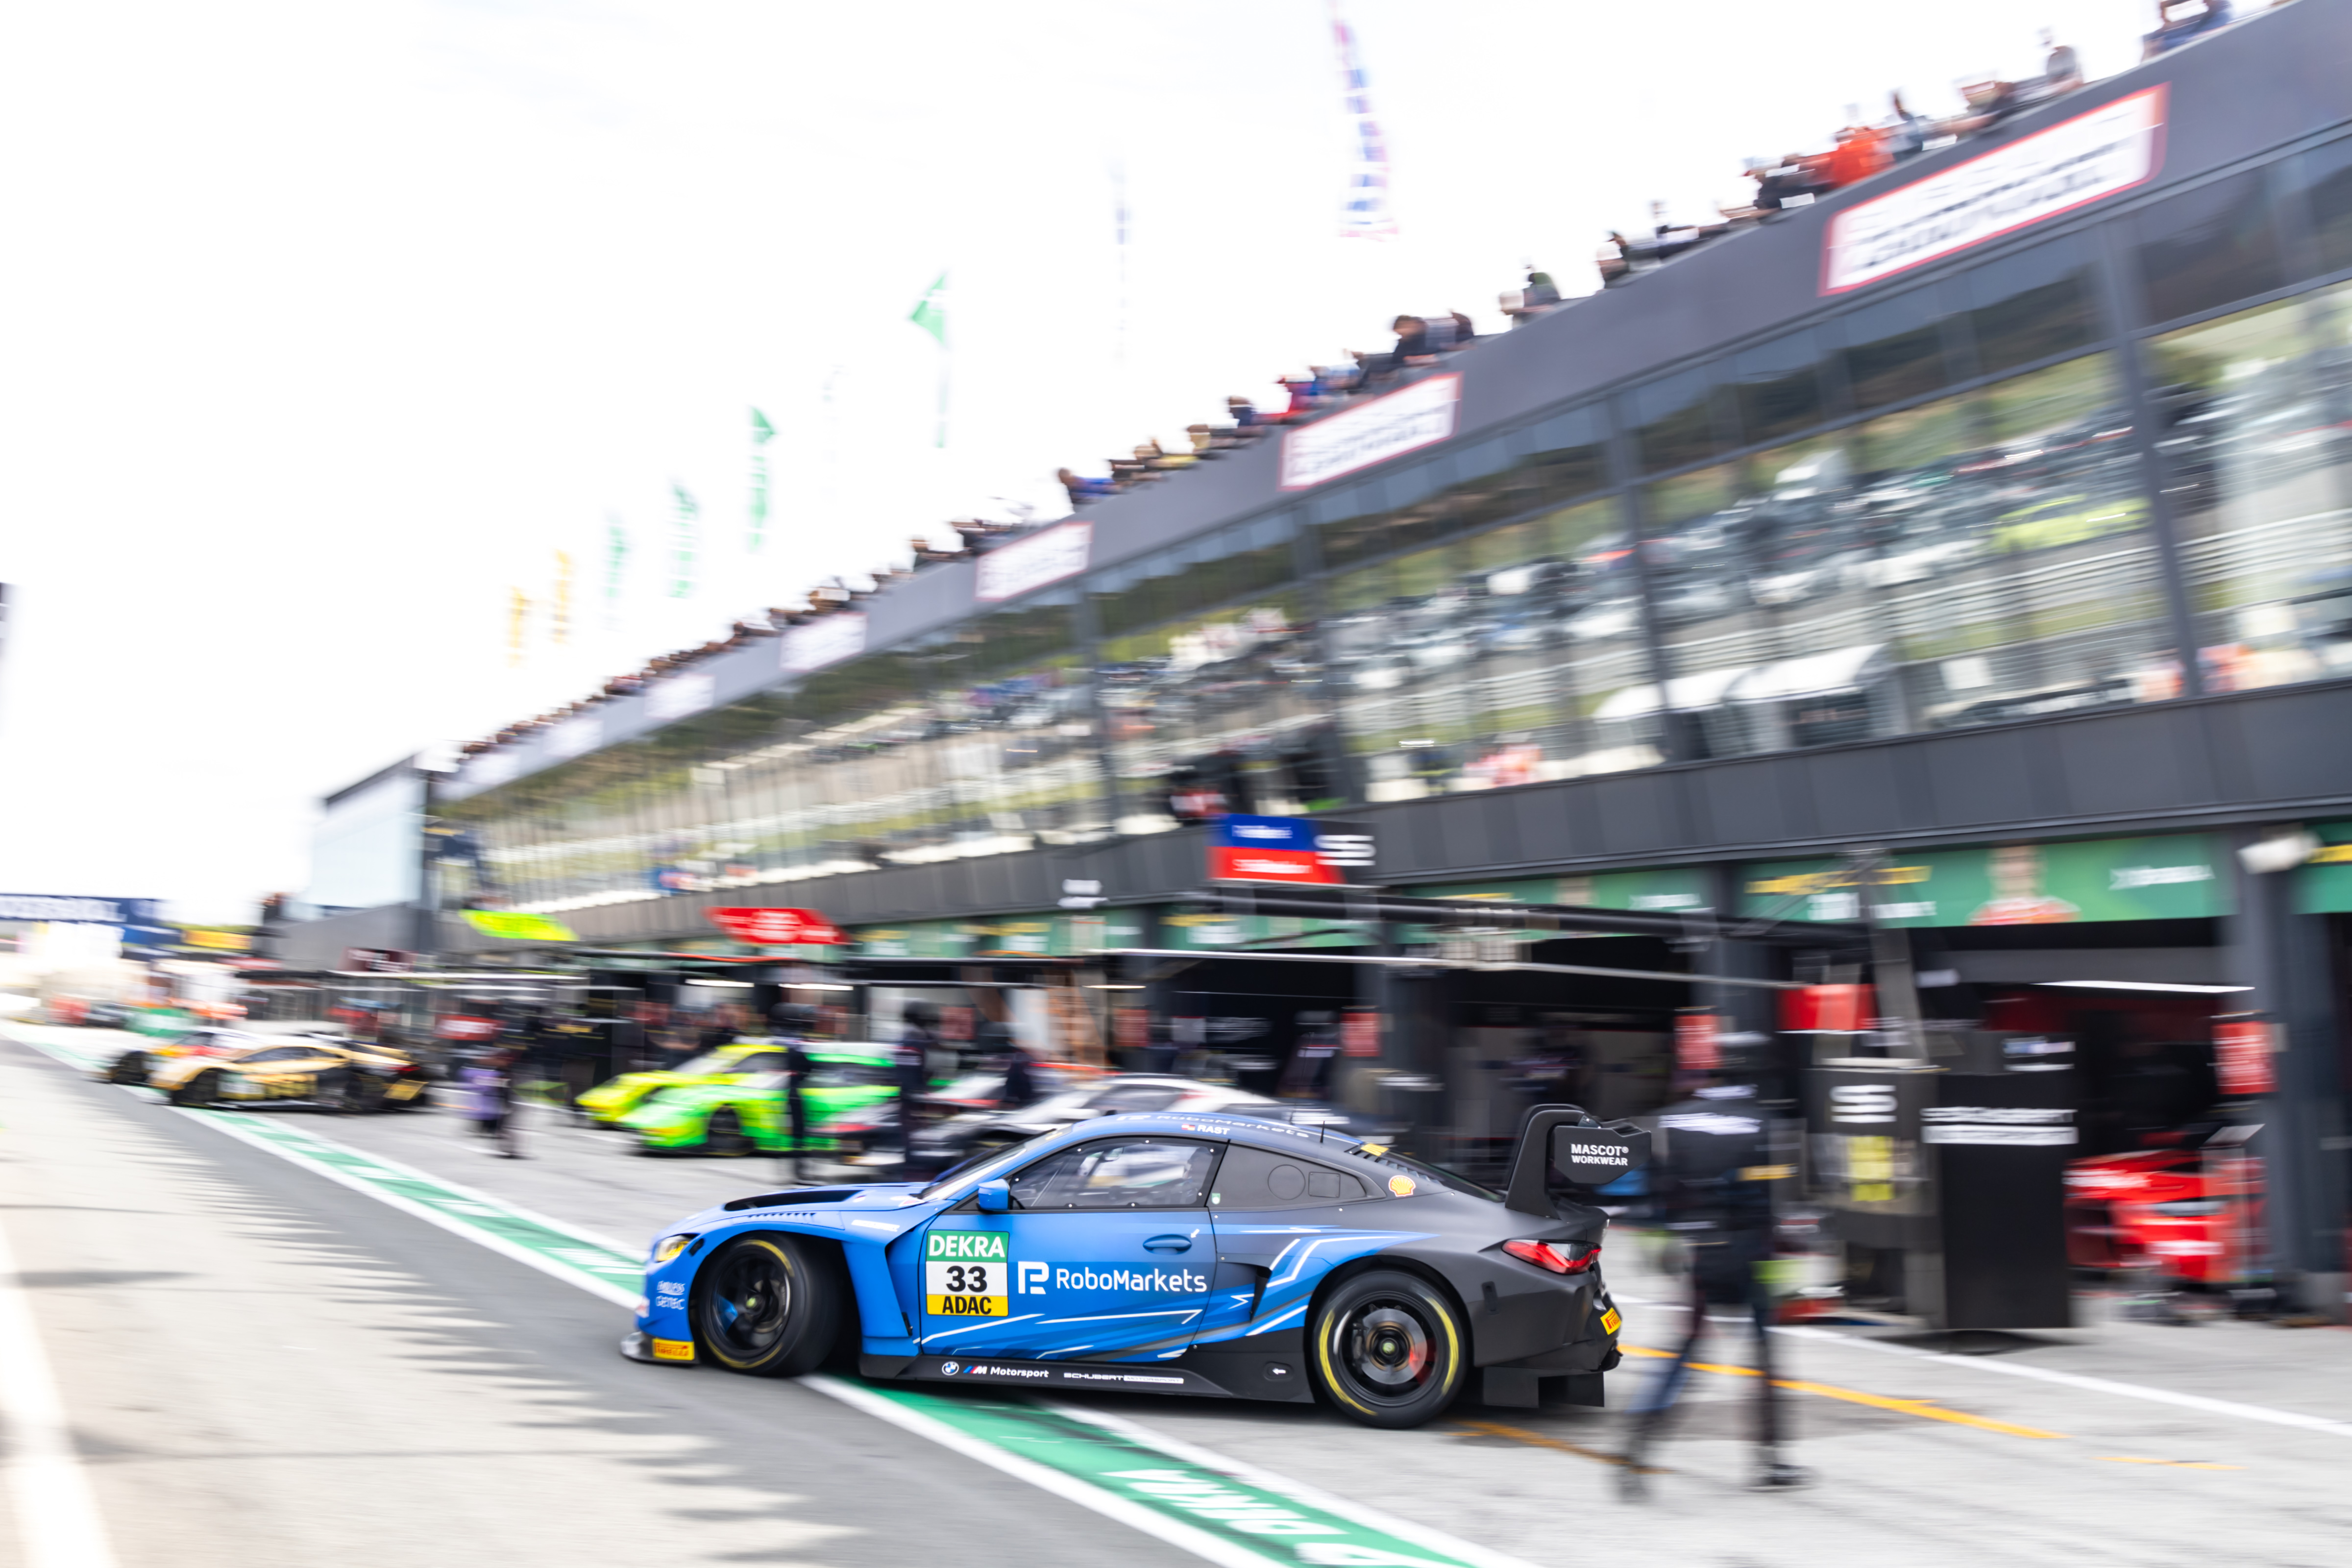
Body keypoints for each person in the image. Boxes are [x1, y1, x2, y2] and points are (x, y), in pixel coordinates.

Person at [1617, 1072, 1803, 1494]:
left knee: (1683, 1358)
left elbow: (1656, 1197)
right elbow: (1774, 1201)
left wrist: (1671, 1245)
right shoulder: (1762, 1122)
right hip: (1752, 1258)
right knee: (1764, 1361)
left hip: (1704, 1256)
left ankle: (1635, 1453)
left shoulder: (1675, 1119)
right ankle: (1770, 1462)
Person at [770, 1002, 820, 1180]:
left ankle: (791, 1170)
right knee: (799, 1131)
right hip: (793, 1091)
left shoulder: (778, 1039)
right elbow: (807, 1064)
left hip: (779, 1091)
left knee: (787, 1131)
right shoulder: (795, 1041)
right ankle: (799, 1171)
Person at [894, 1003, 939, 1166]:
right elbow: (930, 1071)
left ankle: (910, 1161)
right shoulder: (923, 1041)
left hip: (906, 1096)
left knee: (909, 1135)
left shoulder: (902, 1042)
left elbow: (897, 1072)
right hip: (918, 1098)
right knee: (920, 1133)